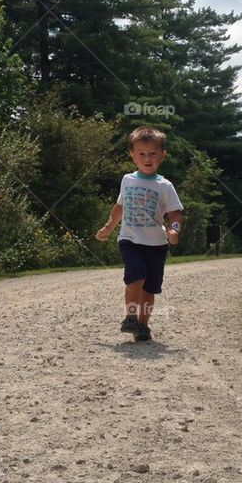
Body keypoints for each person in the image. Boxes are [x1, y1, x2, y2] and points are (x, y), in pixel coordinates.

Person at [96, 127, 183, 342]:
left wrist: (174, 229)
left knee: (150, 288)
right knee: (136, 275)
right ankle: (130, 317)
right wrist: (109, 227)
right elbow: (120, 207)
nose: (147, 158)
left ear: (162, 156)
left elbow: (175, 214)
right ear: (133, 156)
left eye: (153, 153)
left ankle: (143, 326)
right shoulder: (128, 180)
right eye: (141, 153)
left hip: (156, 245)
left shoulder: (165, 186)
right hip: (130, 240)